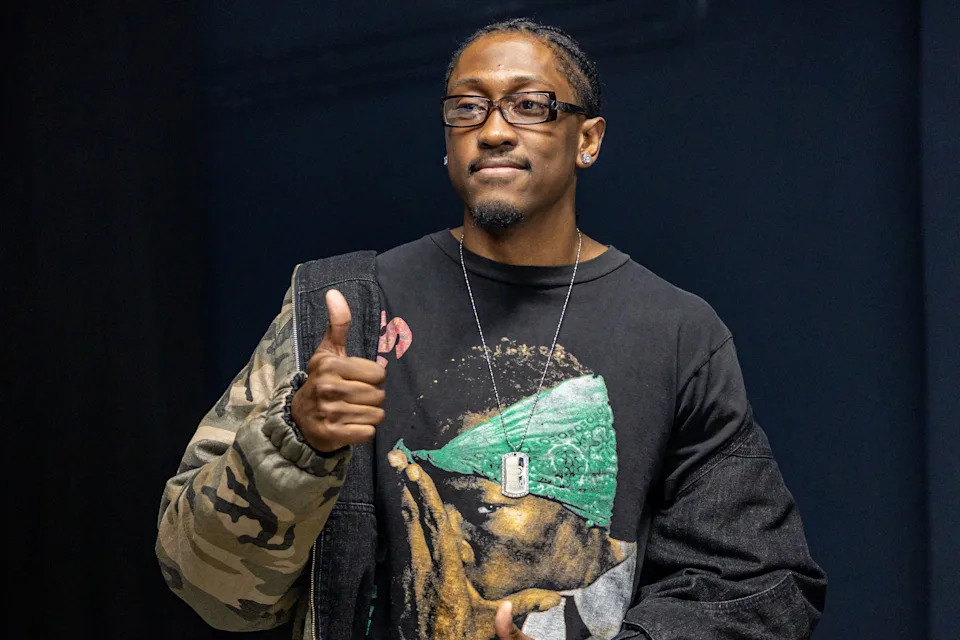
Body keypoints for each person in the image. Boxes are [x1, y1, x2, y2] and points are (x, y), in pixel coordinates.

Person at [156, 18, 826, 640]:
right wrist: (298, 438)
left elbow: (759, 581)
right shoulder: (343, 312)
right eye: (467, 107)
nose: (494, 130)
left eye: (530, 105)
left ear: (586, 138)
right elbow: (209, 585)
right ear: (448, 140)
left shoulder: (676, 331)